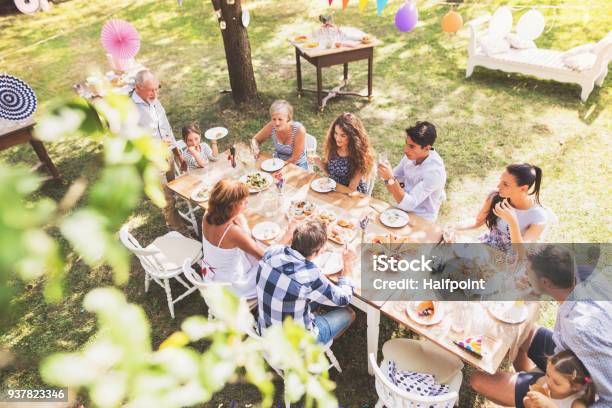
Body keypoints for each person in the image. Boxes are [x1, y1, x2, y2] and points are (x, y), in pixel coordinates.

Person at [470, 245, 612, 408]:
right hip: (567, 354)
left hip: (578, 388)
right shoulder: (580, 275)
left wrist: (551, 405)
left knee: (477, 381)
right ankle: (530, 378)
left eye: (528, 272)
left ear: (545, 282)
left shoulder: (582, 331)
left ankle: (535, 392)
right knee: (520, 330)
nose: (525, 275)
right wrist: (533, 289)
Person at [256, 220, 356, 344]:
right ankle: (321, 342)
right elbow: (344, 298)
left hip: (265, 335)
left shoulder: (271, 252)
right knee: (349, 313)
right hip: (294, 348)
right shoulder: (310, 275)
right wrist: (348, 262)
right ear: (318, 252)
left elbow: (278, 247)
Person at [202, 179, 293, 299]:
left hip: (216, 274)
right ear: (231, 206)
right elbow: (267, 257)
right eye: (243, 202)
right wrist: (289, 234)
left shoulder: (207, 215)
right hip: (232, 286)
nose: (247, 202)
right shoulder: (232, 232)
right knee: (280, 264)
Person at [131, 69, 188, 234]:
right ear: (137, 88)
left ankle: (173, 219)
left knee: (173, 190)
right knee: (167, 200)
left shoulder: (155, 100)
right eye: (151, 90)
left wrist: (178, 154)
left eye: (157, 88)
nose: (155, 93)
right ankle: (179, 230)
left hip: (168, 154)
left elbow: (166, 127)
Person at [453, 163, 548, 252]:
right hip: (486, 247)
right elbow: (477, 221)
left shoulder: (538, 216)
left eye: (505, 184)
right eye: (500, 180)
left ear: (523, 188)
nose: (498, 186)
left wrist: (513, 222)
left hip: (509, 260)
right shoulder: (496, 197)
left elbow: (521, 253)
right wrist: (453, 227)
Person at [376, 121, 447, 221]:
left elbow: (408, 204)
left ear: (427, 148)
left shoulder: (434, 172)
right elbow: (392, 182)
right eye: (406, 144)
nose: (405, 150)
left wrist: (390, 179)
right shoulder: (411, 155)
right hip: (401, 205)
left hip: (421, 217)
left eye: (412, 146)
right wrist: (388, 178)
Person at [310, 112, 374, 194]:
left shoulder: (359, 156)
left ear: (352, 137)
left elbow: (351, 189)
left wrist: (332, 192)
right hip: (333, 188)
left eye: (343, 135)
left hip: (350, 195)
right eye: (336, 133)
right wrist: (318, 161)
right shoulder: (333, 147)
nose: (338, 138)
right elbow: (331, 173)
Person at [523, 349, 595, 408]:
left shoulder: (577, 403)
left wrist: (550, 406)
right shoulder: (542, 382)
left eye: (556, 383)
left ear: (576, 386)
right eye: (548, 375)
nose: (549, 382)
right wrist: (529, 403)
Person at [250, 100, 308, 169]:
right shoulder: (271, 126)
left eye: (280, 119)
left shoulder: (299, 130)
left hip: (297, 165)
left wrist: (277, 168)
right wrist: (255, 148)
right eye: (274, 119)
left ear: (288, 118)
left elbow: (295, 158)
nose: (276, 123)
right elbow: (255, 139)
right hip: (278, 162)